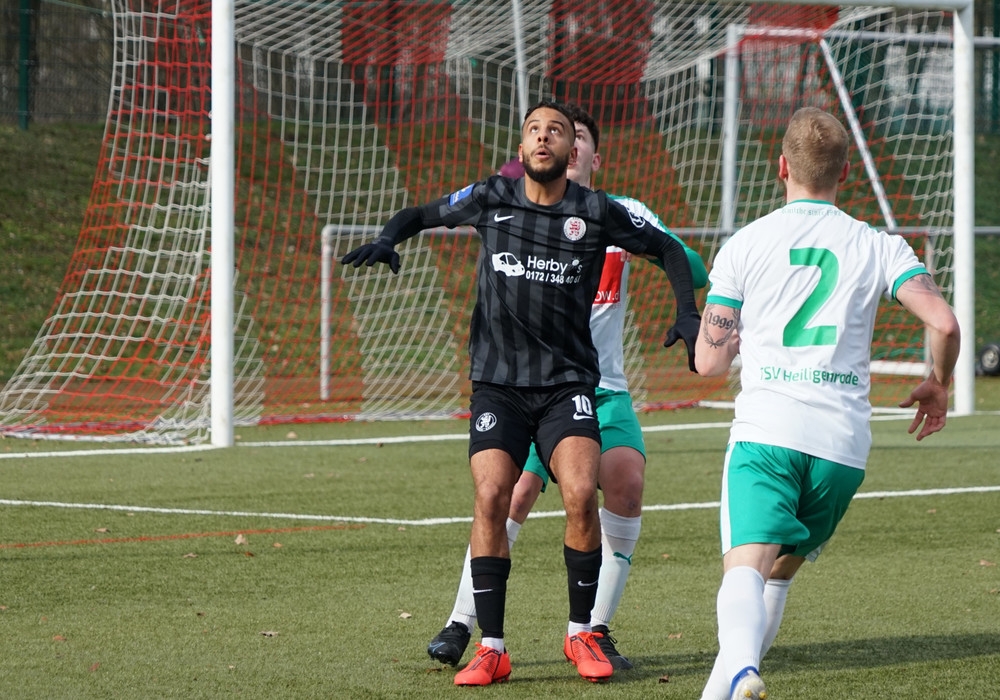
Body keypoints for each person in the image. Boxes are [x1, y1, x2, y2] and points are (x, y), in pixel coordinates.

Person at [342, 99, 702, 686]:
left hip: (570, 385)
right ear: (521, 147)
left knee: (583, 491)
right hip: (500, 386)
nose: (547, 138)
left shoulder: (601, 211)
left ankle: (585, 632)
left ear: (580, 151)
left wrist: (688, 313)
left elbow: (669, 251)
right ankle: (485, 642)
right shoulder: (493, 195)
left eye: (559, 131)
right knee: (495, 496)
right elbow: (423, 212)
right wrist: (388, 237)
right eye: (535, 129)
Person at [693, 106, 961, 700]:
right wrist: (938, 382)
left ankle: (741, 670)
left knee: (745, 569)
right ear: (844, 172)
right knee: (778, 575)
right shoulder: (878, 244)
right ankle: (728, 685)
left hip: (768, 434)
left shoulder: (746, 243)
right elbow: (943, 323)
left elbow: (708, 364)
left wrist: (720, 338)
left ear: (781, 166)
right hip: (841, 448)